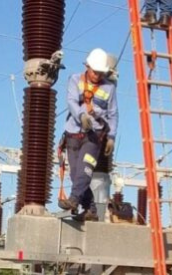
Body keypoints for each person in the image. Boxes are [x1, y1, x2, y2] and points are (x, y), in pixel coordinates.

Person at [60, 48, 118, 221]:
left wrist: (111, 137)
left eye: (101, 73)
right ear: (87, 66)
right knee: (75, 174)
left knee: (85, 170)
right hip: (73, 134)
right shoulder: (74, 80)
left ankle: (73, 200)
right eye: (95, 72)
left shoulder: (109, 88)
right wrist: (81, 116)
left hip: (94, 136)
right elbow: (71, 101)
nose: (97, 76)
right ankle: (90, 209)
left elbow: (113, 114)